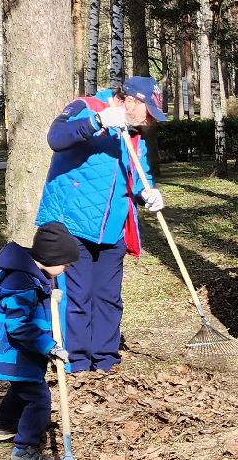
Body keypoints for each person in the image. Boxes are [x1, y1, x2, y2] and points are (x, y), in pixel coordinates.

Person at [35, 76, 168, 373]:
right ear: (130, 100)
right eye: (148, 113)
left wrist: (148, 194)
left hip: (113, 227)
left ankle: (105, 359)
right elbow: (55, 138)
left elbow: (140, 174)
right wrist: (96, 122)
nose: (149, 122)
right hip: (72, 223)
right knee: (77, 296)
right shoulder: (85, 107)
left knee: (108, 297)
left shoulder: (134, 135)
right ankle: (77, 361)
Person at [0, 222, 78, 460]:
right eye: (65, 264)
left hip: (11, 352)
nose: (67, 268)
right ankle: (24, 451)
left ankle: (5, 425)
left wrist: (48, 296)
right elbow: (19, 326)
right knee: (39, 398)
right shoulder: (22, 284)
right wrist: (49, 346)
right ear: (50, 258)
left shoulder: (28, 273)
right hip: (10, 353)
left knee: (22, 389)